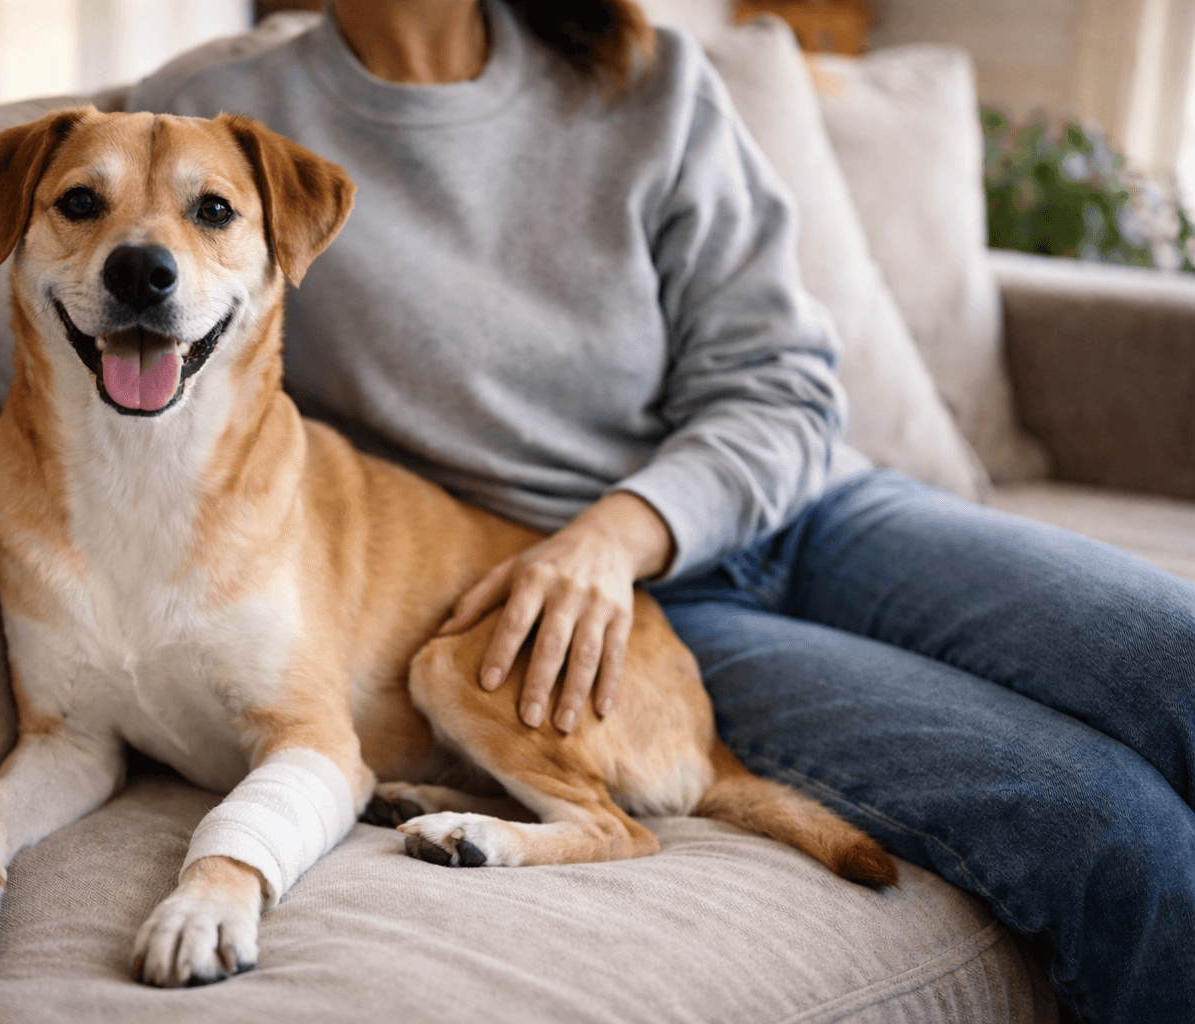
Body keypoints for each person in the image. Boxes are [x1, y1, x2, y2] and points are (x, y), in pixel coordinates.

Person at [130, 2, 1195, 1020]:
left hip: (814, 510)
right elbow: (113, 338)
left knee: (1172, 656)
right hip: (635, 624)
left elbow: (782, 378)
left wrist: (611, 535)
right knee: (1102, 821)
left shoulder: (648, 79)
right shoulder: (214, 125)